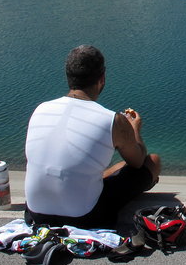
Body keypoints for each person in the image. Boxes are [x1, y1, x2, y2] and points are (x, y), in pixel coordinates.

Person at [24, 45, 161, 229]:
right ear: (102, 78)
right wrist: (134, 129)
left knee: (118, 166)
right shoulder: (113, 120)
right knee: (152, 161)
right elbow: (137, 162)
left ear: (69, 77)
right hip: (85, 217)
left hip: (35, 213)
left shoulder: (40, 109)